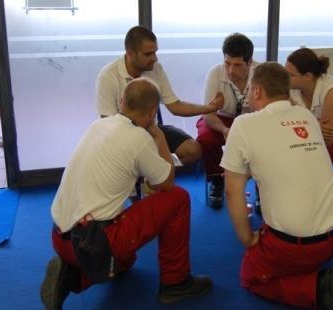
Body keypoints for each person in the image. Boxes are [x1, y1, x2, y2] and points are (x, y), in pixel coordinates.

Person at [41, 78, 213, 309]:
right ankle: (176, 282)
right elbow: (166, 182)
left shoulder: (98, 125)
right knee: (178, 199)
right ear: (153, 112)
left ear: (122, 101)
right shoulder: (139, 139)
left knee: (127, 261)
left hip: (61, 236)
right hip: (94, 243)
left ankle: (71, 275)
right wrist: (159, 136)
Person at [221, 62, 333, 309]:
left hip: (300, 245)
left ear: (258, 92)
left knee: (251, 278)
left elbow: (232, 190)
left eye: (250, 88)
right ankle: (327, 252)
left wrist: (247, 238)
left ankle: (317, 287)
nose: (249, 94)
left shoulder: (243, 124)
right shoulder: (306, 116)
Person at [96, 25, 224, 166]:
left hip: (151, 128)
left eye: (155, 52)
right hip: (122, 136)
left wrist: (209, 107)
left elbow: (175, 106)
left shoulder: (156, 69)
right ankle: (151, 175)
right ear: (130, 53)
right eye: (148, 54)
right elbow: (107, 124)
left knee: (193, 150)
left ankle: (155, 178)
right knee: (136, 159)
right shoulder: (108, 76)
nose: (155, 58)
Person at [196, 33, 257, 208]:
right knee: (206, 139)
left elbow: (267, 113)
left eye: (237, 65)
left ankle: (263, 186)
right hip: (221, 119)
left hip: (251, 121)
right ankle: (216, 180)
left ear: (250, 62)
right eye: (227, 63)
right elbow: (208, 114)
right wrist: (224, 129)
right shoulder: (215, 73)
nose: (231, 71)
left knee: (267, 139)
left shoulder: (261, 74)